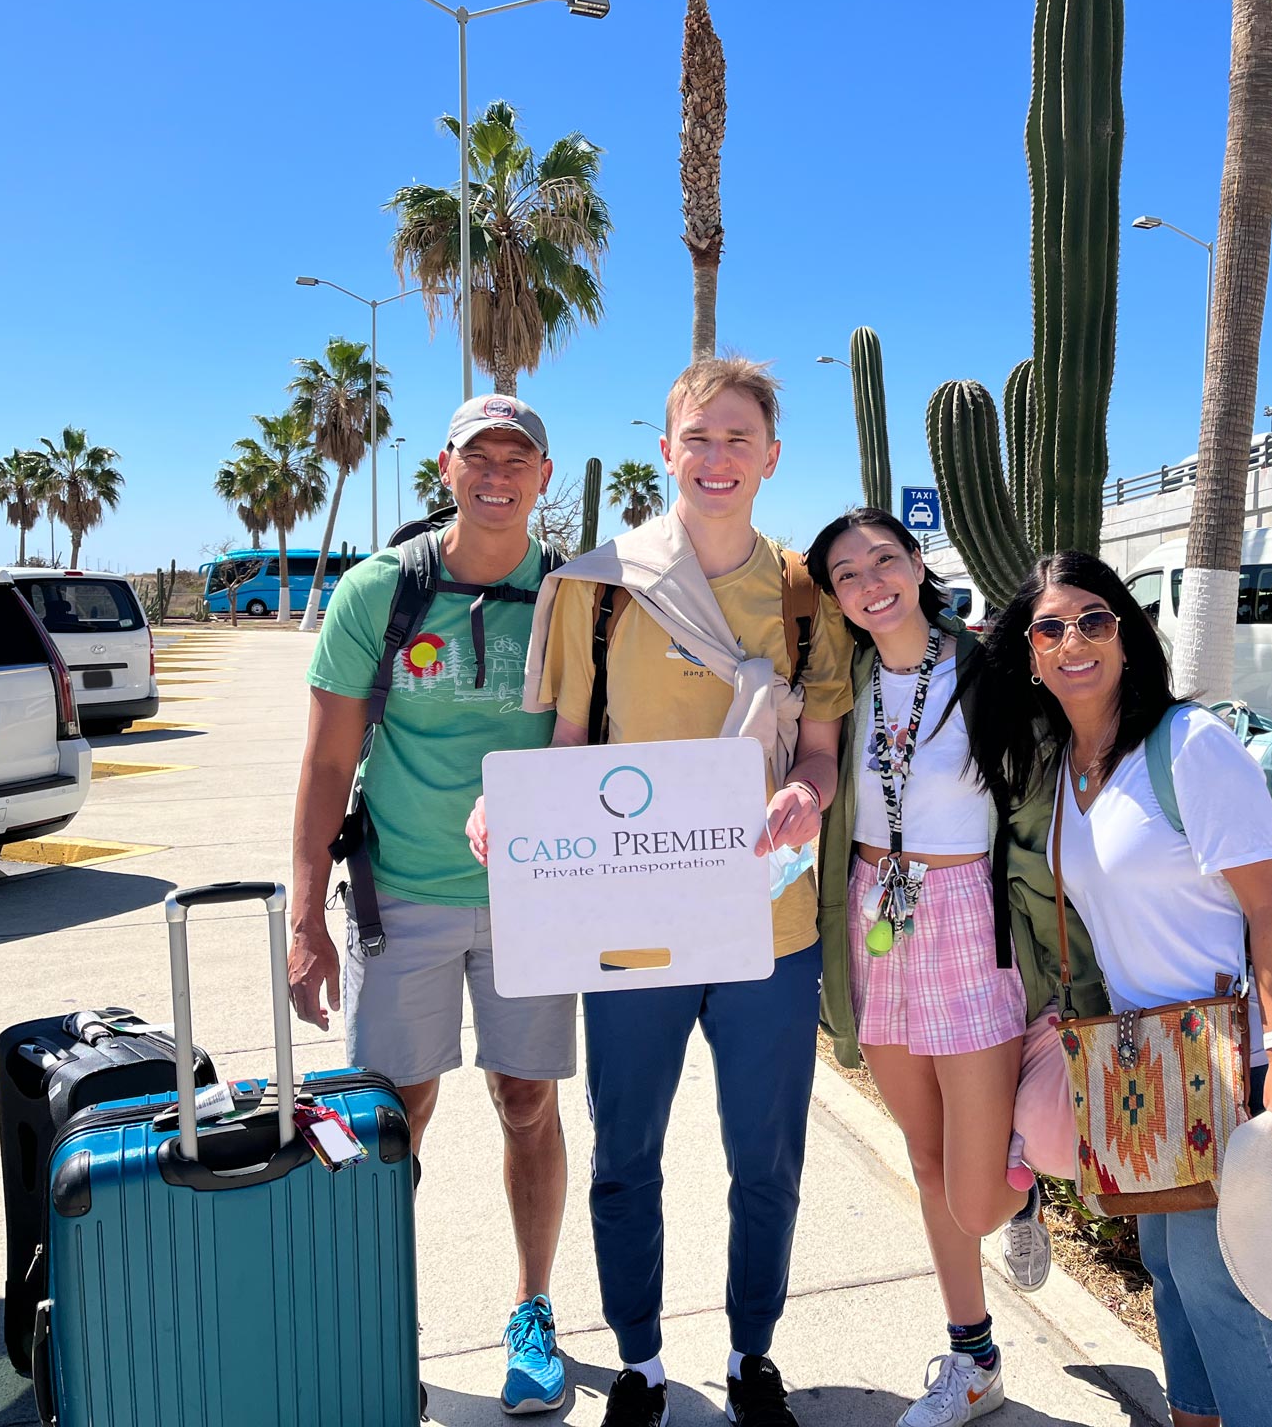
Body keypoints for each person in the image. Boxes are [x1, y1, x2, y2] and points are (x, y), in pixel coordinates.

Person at [469, 357, 853, 1427]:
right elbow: (570, 746)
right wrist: (512, 811)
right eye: (700, 438)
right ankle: (638, 1364)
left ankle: (748, 1357)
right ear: (666, 450)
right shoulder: (601, 585)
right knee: (624, 1151)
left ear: (771, 458)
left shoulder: (806, 596)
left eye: (740, 440)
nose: (718, 458)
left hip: (766, 928)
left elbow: (820, 755)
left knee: (764, 1159)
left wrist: (807, 801)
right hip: (630, 926)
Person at [971, 551, 1272, 1427]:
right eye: (1050, 628)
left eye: (1094, 620)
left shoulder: (1190, 747)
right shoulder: (1066, 767)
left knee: (1225, 1284)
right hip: (1153, 1058)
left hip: (1242, 1049)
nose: (1073, 642)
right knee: (1172, 1271)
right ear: (1029, 653)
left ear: (1129, 635)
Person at [290, 395, 578, 1415]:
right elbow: (328, 763)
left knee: (526, 1102)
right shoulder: (383, 591)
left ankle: (534, 1310)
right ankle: (372, 1319)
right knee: (393, 1115)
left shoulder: (576, 597)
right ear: (445, 469)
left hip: (539, 905)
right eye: (478, 456)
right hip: (401, 896)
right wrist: (304, 917)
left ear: (546, 477)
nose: (497, 472)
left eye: (519, 457)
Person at [807, 508, 1051, 1427]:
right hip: (879, 916)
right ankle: (974, 1356)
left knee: (977, 1195)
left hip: (966, 924)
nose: (871, 582)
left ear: (917, 564)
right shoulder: (848, 684)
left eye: (884, 560)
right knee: (926, 1157)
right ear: (836, 598)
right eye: (847, 575)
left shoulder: (988, 673)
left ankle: (1028, 1178)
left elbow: (1044, 801)